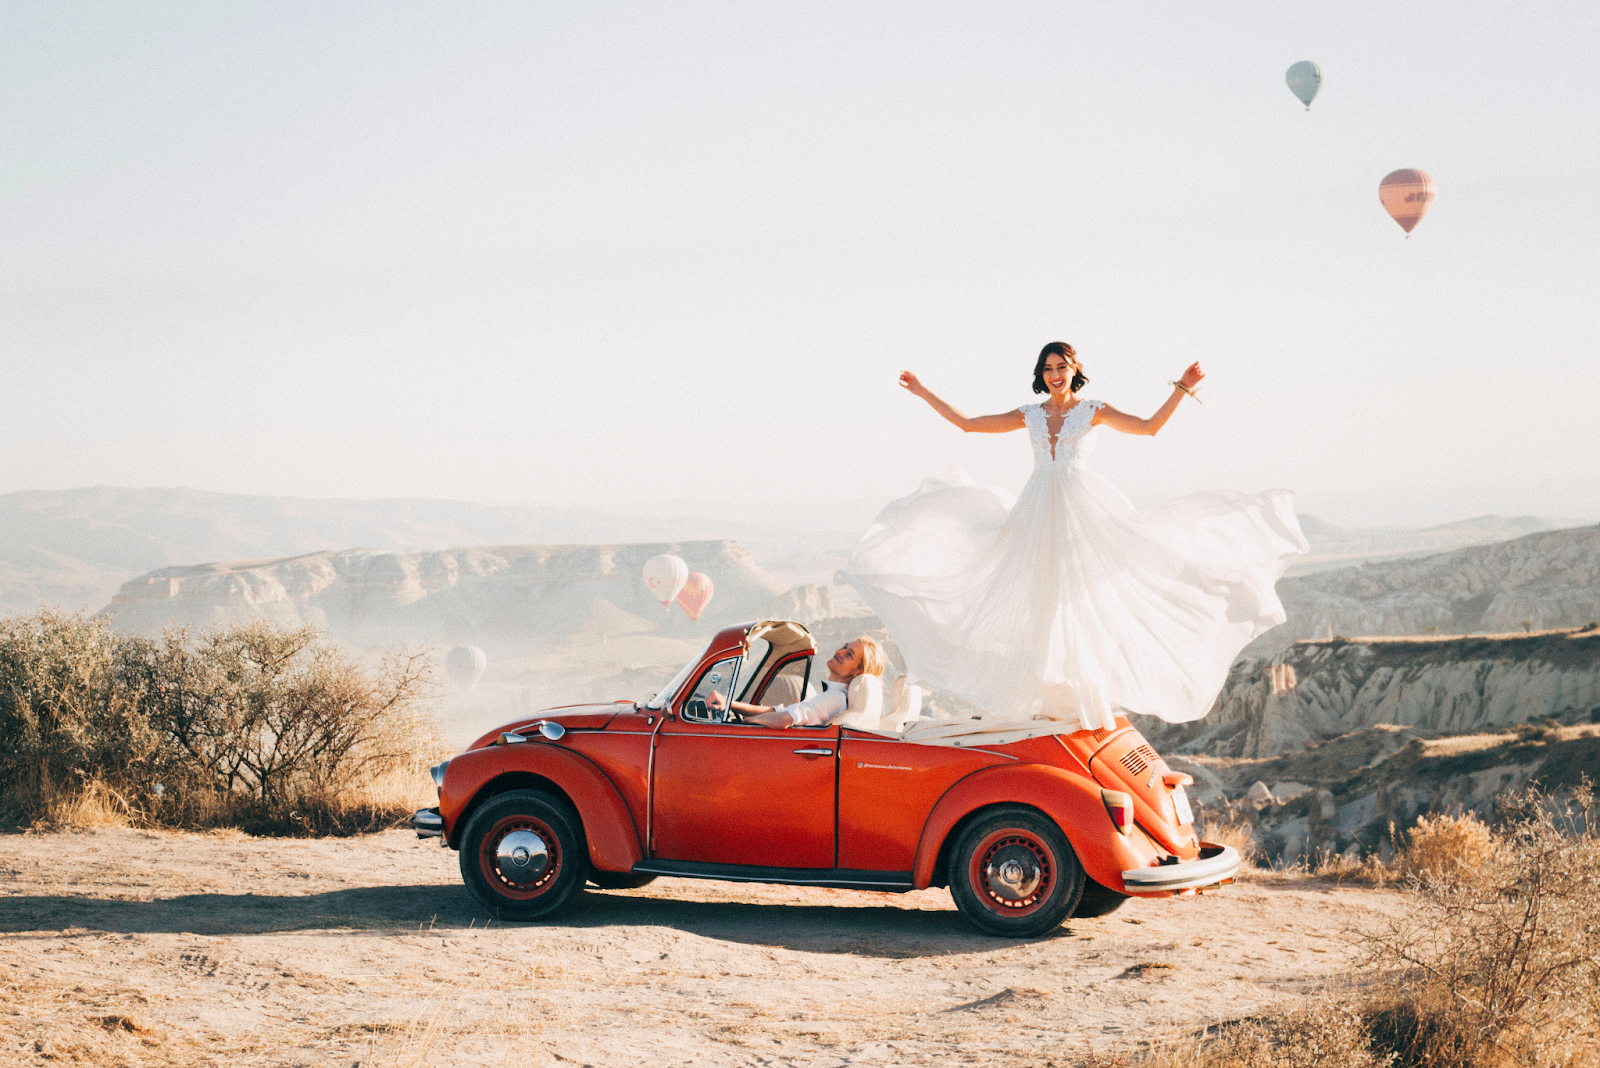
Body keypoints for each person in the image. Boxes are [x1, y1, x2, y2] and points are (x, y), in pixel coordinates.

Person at [838, 341, 1308, 733]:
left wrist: (1183, 388)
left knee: (1082, 601)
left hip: (1082, 512)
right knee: (1035, 600)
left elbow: (1148, 428)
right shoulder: (1030, 414)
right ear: (1041, 375)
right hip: (1037, 513)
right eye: (1048, 367)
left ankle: (1083, 698)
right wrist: (923, 392)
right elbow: (968, 424)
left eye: (1062, 366)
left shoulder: (1092, 411)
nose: (1055, 373)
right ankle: (1044, 701)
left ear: (1075, 369)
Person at [707, 638, 885, 728]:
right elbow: (782, 712)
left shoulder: (834, 698)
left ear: (858, 671)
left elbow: (786, 718)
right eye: (845, 647)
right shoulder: (834, 697)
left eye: (850, 655)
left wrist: (746, 723)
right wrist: (730, 704)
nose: (840, 651)